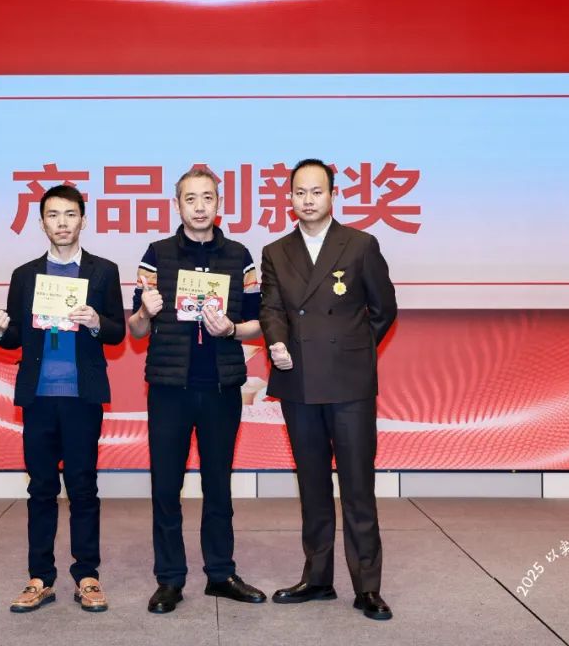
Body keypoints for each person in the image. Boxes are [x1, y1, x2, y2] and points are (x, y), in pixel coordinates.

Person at [259, 158, 398, 621]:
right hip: (298, 379)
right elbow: (271, 307)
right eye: (300, 192)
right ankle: (317, 578)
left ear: (333, 195)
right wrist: (277, 340)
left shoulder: (360, 245)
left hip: (349, 383)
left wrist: (353, 349)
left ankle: (367, 587)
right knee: (312, 484)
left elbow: (384, 309)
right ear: (289, 198)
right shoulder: (276, 251)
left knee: (358, 486)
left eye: (316, 192)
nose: (308, 200)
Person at [128, 167, 267, 614]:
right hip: (169, 388)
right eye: (191, 199)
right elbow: (135, 329)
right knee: (166, 486)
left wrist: (232, 329)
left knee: (218, 485)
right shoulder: (157, 255)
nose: (200, 206)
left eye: (208, 198)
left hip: (221, 387)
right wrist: (145, 313)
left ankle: (221, 573)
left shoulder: (240, 256)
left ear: (219, 204)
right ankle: (169, 579)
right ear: (177, 205)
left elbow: (259, 323)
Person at [0, 184, 125, 614]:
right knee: (41, 488)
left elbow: (118, 332)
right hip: (40, 396)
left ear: (83, 220)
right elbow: (13, 337)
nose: (62, 223)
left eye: (69, 214)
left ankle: (87, 576)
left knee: (83, 487)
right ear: (42, 222)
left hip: (82, 395)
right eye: (53, 215)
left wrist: (96, 320)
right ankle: (40, 578)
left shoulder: (103, 272)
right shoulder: (25, 275)